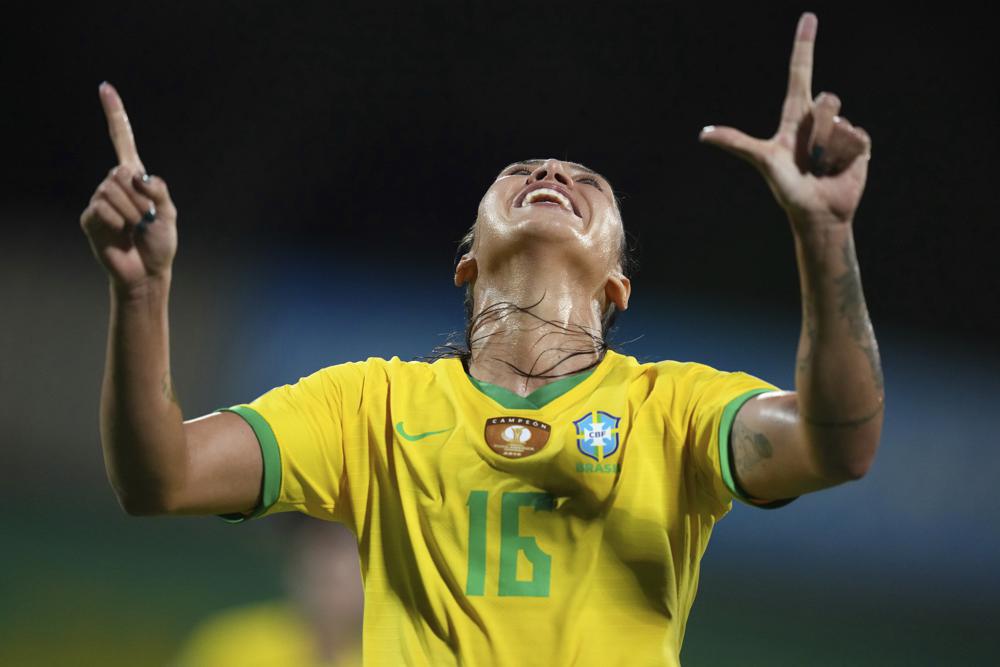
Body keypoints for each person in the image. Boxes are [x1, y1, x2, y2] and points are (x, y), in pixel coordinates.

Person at [80, 12, 883, 666]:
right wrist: (143, 292)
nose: (556, 175)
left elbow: (838, 442)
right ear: (467, 261)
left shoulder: (672, 409)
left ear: (616, 287)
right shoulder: (371, 407)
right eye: (527, 169)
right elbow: (161, 477)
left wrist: (825, 236)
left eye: (588, 183)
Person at [173, 517, 363, 667]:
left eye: (343, 545)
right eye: (318, 541)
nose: (325, 562)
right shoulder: (231, 643)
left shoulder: (384, 654)